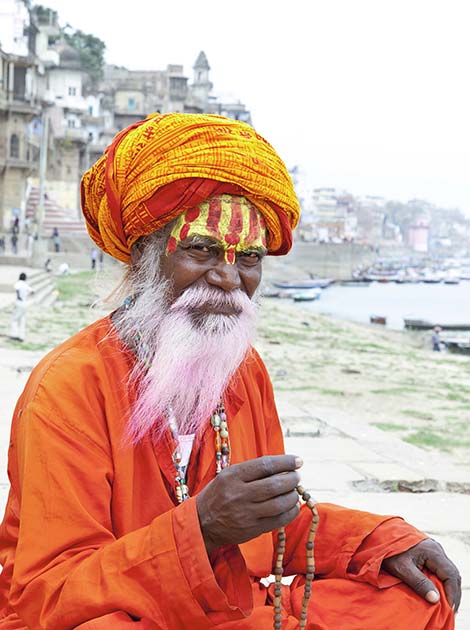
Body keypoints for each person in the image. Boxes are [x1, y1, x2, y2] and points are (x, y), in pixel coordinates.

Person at [0, 113, 460, 629]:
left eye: (249, 258)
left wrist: (383, 540)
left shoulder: (243, 370)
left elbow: (271, 523)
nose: (228, 277)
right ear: (144, 254)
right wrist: (201, 528)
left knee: (414, 590)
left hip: (228, 610)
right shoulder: (68, 387)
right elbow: (48, 595)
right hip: (123, 615)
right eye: (201, 249)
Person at [10, 272, 33, 342]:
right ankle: (21, 337)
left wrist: (19, 296)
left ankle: (14, 335)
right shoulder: (26, 285)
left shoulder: (18, 283)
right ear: (25, 278)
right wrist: (26, 296)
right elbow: (32, 291)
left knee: (15, 319)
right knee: (22, 320)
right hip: (25, 303)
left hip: (19, 302)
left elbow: (17, 289)